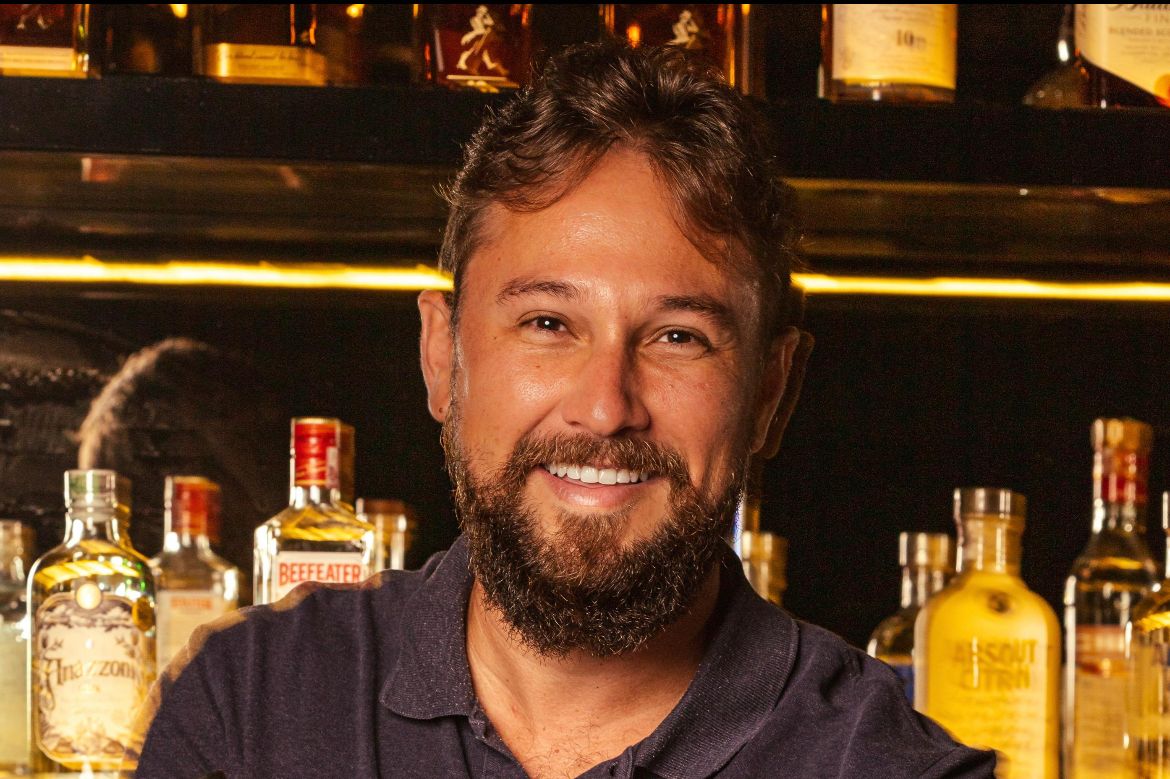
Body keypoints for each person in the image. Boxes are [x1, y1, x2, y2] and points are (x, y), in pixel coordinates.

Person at [130, 42, 995, 778]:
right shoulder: (249, 709)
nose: (606, 406)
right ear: (442, 357)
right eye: (547, 323)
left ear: (772, 393)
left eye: (679, 337)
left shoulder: (886, 765)